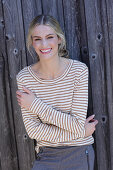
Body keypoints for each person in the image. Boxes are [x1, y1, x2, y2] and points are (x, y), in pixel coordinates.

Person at [16, 15, 98, 170]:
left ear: (59, 39)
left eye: (49, 37)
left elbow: (77, 124)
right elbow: (33, 130)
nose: (44, 44)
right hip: (46, 154)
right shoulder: (24, 78)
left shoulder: (78, 71)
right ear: (32, 42)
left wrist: (35, 104)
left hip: (79, 152)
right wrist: (81, 132)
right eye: (37, 39)